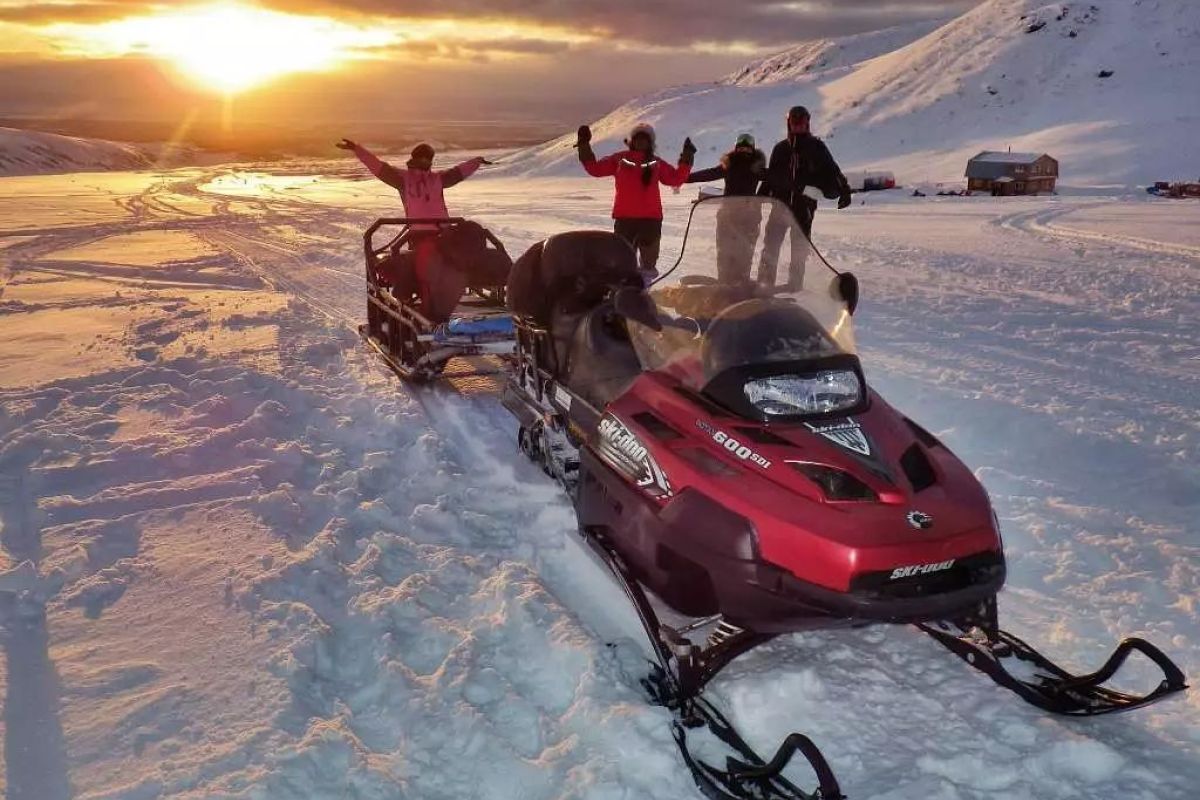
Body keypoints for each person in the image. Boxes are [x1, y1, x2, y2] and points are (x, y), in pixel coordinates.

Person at [337, 138, 492, 316]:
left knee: (443, 263)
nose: (425, 161)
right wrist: (357, 149)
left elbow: (457, 172)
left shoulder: (428, 178)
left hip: (436, 234)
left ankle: (438, 295)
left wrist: (476, 162)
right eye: (424, 157)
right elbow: (379, 167)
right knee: (429, 265)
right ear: (418, 158)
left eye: (428, 158)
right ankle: (425, 298)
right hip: (427, 234)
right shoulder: (413, 178)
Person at [576, 122, 696, 285]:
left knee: (647, 267)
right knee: (623, 264)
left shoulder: (655, 163)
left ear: (650, 142)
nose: (640, 142)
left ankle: (642, 295)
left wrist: (687, 157)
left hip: (649, 222)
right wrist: (583, 145)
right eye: (638, 139)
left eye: (644, 139)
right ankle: (625, 296)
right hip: (627, 220)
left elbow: (675, 179)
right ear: (632, 141)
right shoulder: (620, 159)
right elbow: (595, 169)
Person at [757, 106, 852, 289]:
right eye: (795, 123)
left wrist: (844, 189)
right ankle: (764, 284)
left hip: (804, 207)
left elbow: (833, 170)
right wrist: (758, 198)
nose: (798, 126)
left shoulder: (816, 147)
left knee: (799, 248)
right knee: (770, 245)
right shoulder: (780, 149)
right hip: (780, 206)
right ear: (789, 124)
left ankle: (794, 286)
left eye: (802, 123)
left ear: (807, 123)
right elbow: (771, 177)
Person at [686, 132, 768, 282]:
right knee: (724, 254)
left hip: (749, 219)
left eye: (747, 148)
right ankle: (724, 284)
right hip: (727, 218)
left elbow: (777, 178)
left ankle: (741, 285)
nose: (744, 151)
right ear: (735, 149)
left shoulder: (757, 168)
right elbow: (708, 174)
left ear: (753, 149)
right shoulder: (729, 166)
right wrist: (684, 178)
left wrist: (800, 185)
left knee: (745, 255)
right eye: (741, 148)